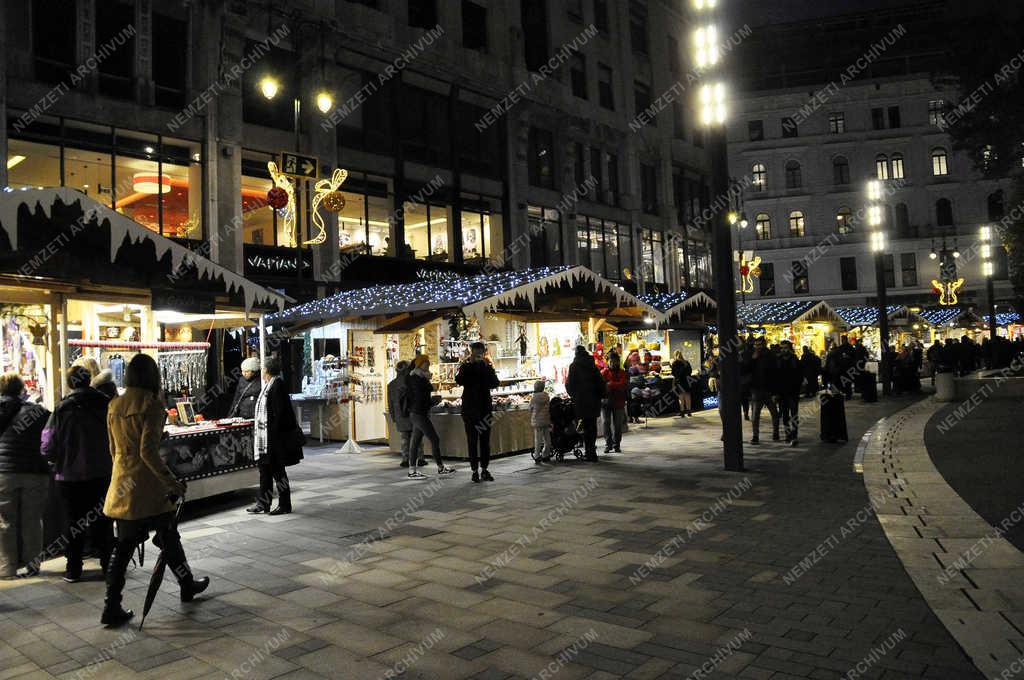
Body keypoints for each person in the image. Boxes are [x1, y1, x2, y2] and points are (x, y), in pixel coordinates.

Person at [101, 354, 209, 626]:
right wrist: (172, 482)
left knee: (123, 548)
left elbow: (114, 449)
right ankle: (186, 583)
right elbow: (147, 452)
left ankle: (111, 605)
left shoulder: (114, 404)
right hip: (148, 487)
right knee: (169, 536)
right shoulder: (152, 405)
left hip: (123, 484)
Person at [40, 366, 114, 582]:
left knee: (74, 523)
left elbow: (47, 444)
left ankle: (73, 569)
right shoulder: (105, 403)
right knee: (103, 520)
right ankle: (108, 564)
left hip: (70, 476)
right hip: (102, 472)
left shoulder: (62, 409)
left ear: (70, 383)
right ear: (88, 380)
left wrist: (55, 458)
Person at [0, 373, 50, 579]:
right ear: (22, 389)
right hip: (34, 472)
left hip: (4, 473)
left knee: (4, 522)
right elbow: (50, 436)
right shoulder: (38, 411)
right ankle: (33, 564)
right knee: (32, 519)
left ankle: (6, 568)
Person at [248, 357, 303, 515]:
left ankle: (285, 504)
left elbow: (280, 413)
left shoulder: (277, 385)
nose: (261, 370)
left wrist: (273, 434)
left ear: (266, 370)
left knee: (279, 472)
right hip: (265, 439)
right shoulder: (269, 385)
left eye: (263, 368)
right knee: (265, 471)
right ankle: (263, 503)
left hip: (274, 439)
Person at [455, 342, 499, 483]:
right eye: (476, 351)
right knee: (474, 441)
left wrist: (487, 367)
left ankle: (483, 469)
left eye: (480, 351)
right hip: (472, 410)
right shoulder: (466, 366)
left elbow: (495, 383)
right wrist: (469, 365)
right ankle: (475, 470)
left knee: (482, 441)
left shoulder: (485, 366)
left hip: (480, 409)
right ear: (472, 352)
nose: (478, 354)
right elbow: (459, 380)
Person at [406, 355, 455, 479]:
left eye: (428, 363)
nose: (428, 364)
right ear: (420, 364)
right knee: (434, 439)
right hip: (419, 413)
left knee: (415, 442)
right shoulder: (417, 378)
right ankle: (440, 467)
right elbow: (420, 398)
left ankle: (412, 470)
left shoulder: (419, 377)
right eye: (425, 363)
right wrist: (433, 401)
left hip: (417, 412)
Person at [566, 345, 606, 462]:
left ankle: (589, 453)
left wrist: (574, 395)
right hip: (593, 401)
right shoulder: (592, 365)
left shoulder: (574, 366)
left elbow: (570, 384)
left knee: (583, 427)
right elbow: (600, 382)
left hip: (581, 402)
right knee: (592, 427)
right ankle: (591, 452)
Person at [387, 361, 424, 468]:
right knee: (417, 437)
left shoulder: (391, 385)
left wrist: (393, 416)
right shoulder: (413, 382)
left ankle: (405, 459)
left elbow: (390, 403)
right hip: (414, 413)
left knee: (404, 438)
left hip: (400, 415)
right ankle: (420, 458)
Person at [743, 337, 779, 444]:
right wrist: (753, 359)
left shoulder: (770, 356)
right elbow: (745, 369)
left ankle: (775, 433)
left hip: (768, 389)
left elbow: (774, 374)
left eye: (759, 345)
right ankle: (755, 436)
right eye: (756, 345)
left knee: (774, 413)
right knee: (755, 415)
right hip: (756, 389)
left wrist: (775, 391)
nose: (757, 347)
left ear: (764, 344)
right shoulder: (753, 355)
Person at [775, 341, 803, 447]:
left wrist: (797, 388)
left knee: (794, 415)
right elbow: (776, 377)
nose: (783, 350)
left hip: (792, 393)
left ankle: (794, 435)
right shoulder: (778, 360)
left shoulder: (794, 360)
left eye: (785, 348)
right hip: (782, 393)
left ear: (790, 348)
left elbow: (799, 375)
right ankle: (788, 435)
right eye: (782, 348)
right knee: (785, 415)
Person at [601, 352, 627, 453]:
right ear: (607, 362)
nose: (612, 363)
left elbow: (623, 385)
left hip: (618, 402)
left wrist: (610, 384)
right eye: (610, 361)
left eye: (614, 361)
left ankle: (617, 444)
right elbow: (601, 386)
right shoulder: (604, 372)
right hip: (605, 402)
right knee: (605, 423)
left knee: (617, 425)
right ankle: (608, 444)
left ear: (617, 362)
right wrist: (615, 385)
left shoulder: (622, 372)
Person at [529, 381, 552, 462]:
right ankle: (546, 455)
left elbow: (530, 409)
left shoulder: (534, 398)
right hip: (546, 420)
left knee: (538, 440)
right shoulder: (547, 396)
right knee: (547, 439)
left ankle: (537, 456)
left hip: (537, 421)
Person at [670, 351, 693, 417]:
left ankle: (682, 412)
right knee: (687, 396)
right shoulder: (686, 362)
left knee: (681, 397)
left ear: (675, 355)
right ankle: (689, 411)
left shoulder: (675, 363)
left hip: (679, 382)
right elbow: (690, 371)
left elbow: (674, 373)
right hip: (687, 381)